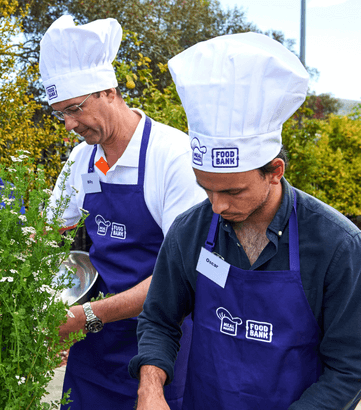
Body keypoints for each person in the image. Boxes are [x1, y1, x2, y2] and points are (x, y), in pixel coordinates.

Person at [129, 32, 361, 410]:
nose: (217, 206)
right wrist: (150, 387)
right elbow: (158, 320)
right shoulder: (190, 231)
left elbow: (349, 369)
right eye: (206, 189)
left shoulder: (337, 246)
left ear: (274, 171)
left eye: (233, 192)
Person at [40, 16, 206, 409]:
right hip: (96, 338)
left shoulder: (172, 156)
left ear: (109, 91)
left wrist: (85, 316)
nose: (69, 124)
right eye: (60, 113)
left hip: (163, 337)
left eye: (75, 109)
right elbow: (49, 234)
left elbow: (181, 275)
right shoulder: (82, 159)